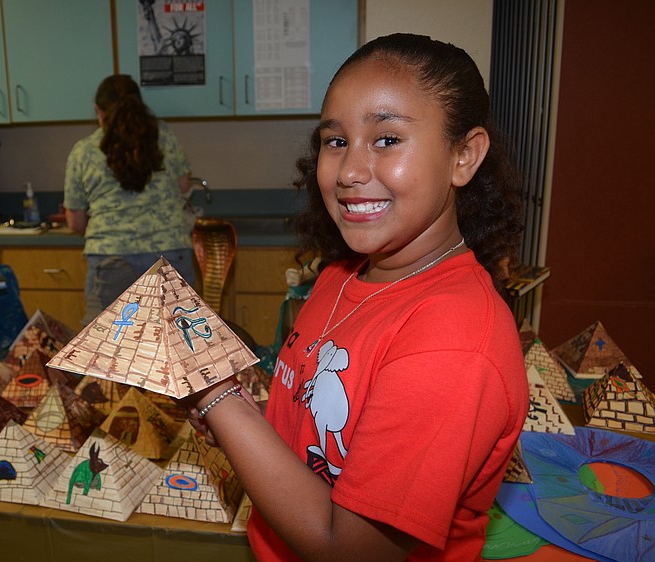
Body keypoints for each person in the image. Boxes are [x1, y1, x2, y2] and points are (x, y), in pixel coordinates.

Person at [182, 33, 530, 561]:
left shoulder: (453, 344)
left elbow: (348, 548)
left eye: (387, 139)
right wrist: (244, 422)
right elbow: (313, 431)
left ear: (464, 155)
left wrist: (214, 394)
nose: (348, 172)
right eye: (336, 141)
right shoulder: (343, 277)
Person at [64, 74, 195, 326]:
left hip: (111, 257)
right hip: (169, 252)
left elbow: (75, 222)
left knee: (110, 349)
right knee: (180, 344)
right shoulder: (164, 136)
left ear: (98, 111)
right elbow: (183, 184)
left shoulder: (83, 151)